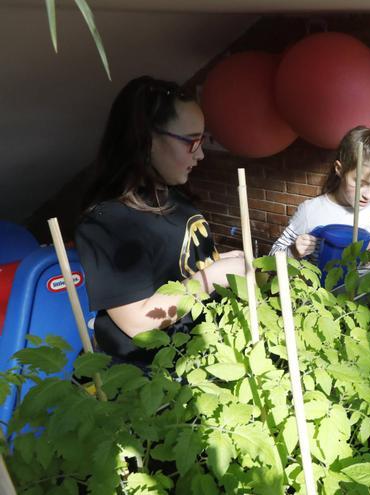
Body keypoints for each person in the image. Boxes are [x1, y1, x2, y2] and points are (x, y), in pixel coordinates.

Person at [75, 76, 247, 367]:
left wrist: (218, 262)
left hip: (201, 356)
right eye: (192, 141)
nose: (202, 154)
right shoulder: (108, 223)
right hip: (156, 377)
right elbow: (138, 324)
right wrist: (209, 279)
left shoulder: (172, 197)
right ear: (148, 139)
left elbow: (182, 263)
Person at [269, 125, 370, 259]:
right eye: (360, 184)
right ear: (339, 169)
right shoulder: (311, 211)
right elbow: (272, 259)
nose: (367, 195)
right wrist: (293, 251)